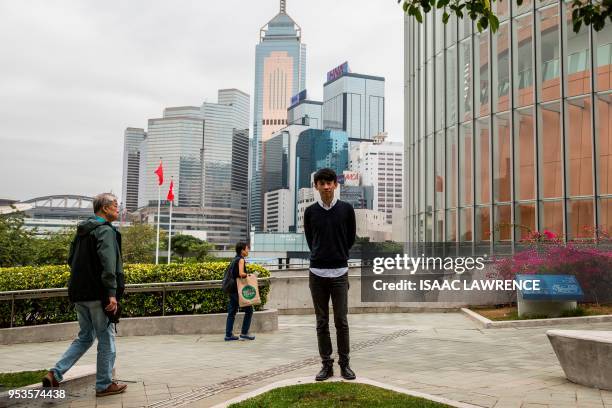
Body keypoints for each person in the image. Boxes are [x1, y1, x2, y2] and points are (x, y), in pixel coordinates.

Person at [42, 193, 127, 397]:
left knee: (85, 336)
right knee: (106, 337)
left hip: (79, 293)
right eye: (115, 205)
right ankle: (104, 384)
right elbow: (109, 265)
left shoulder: (81, 231)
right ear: (104, 209)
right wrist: (111, 293)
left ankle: (55, 373)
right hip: (99, 294)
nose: (118, 208)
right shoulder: (105, 231)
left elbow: (71, 260)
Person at [303, 168, 357, 381]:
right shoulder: (310, 212)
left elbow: (350, 238)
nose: (326, 187)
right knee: (321, 322)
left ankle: (345, 364)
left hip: (340, 272)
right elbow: (310, 239)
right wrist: (321, 254)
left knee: (341, 321)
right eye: (321, 183)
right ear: (316, 186)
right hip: (317, 273)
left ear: (335, 185)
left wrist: (338, 254)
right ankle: (327, 365)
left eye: (329, 183)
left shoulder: (346, 209)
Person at [224, 241, 255, 341]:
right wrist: (250, 275)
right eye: (247, 248)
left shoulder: (235, 259)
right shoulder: (241, 260)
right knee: (249, 310)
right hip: (237, 289)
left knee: (232, 312)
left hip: (231, 288)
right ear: (242, 251)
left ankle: (228, 335)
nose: (248, 250)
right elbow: (241, 274)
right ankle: (244, 333)